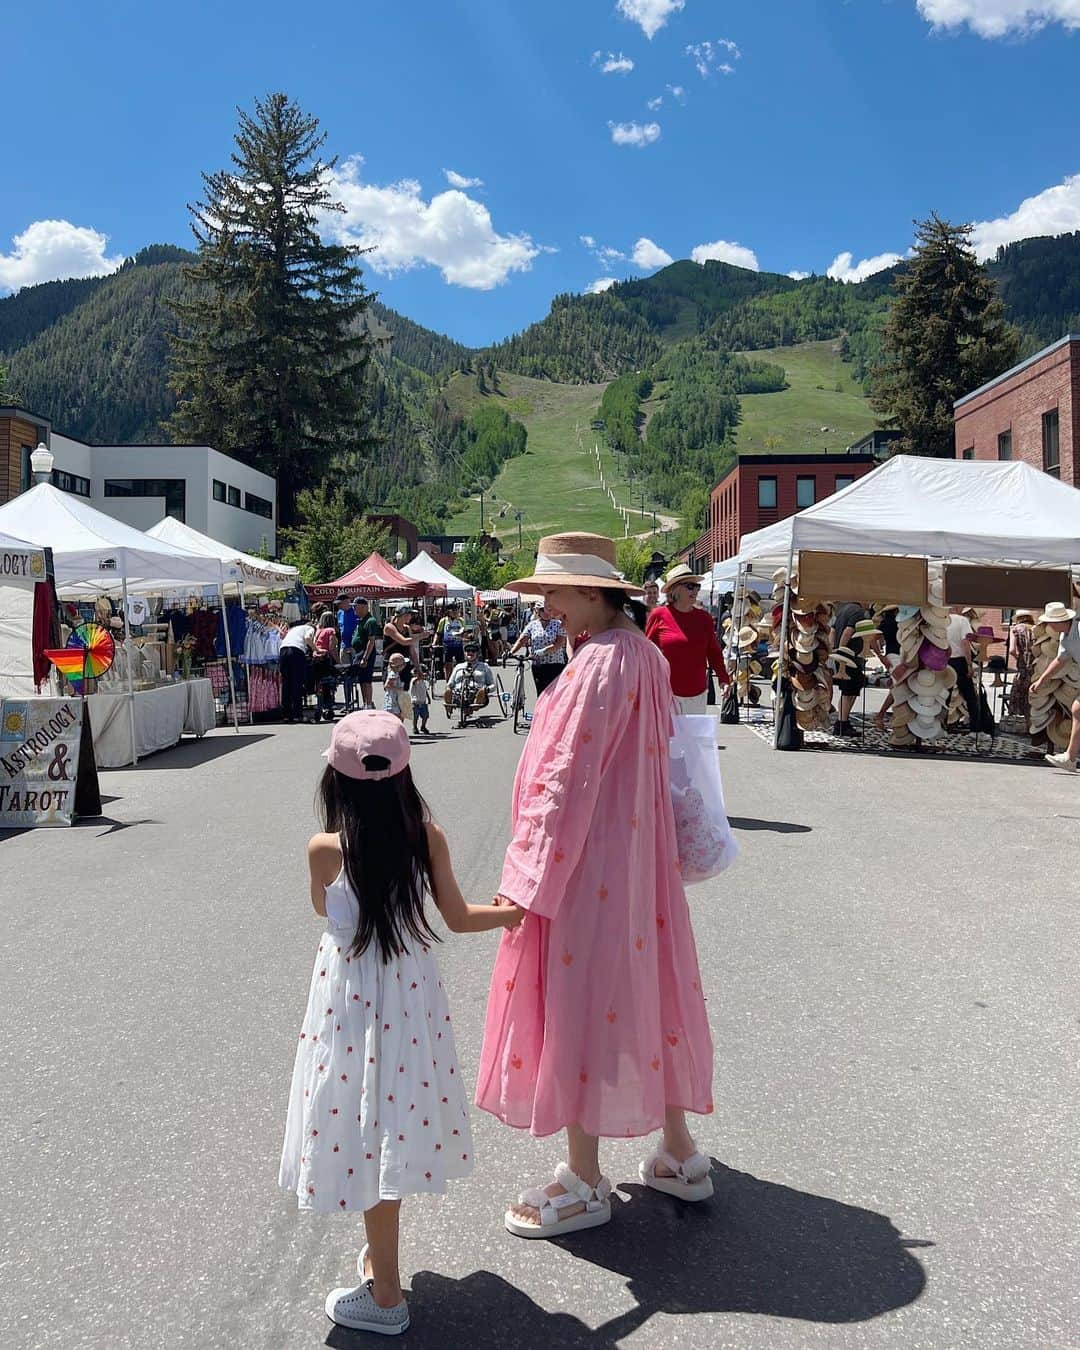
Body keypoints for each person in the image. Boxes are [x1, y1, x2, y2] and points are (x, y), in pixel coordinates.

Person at [476, 532, 715, 1240]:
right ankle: (677, 1151)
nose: (545, 604)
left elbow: (563, 781)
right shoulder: (641, 653)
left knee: (584, 1003)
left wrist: (524, 879)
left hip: (588, 866)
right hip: (640, 861)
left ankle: (583, 1182)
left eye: (552, 591)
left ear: (589, 591)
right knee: (648, 990)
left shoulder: (596, 667)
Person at [278, 712, 523, 1334]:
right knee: (389, 1121)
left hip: (349, 997)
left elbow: (321, 910)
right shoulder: (426, 837)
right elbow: (461, 918)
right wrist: (510, 913)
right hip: (409, 996)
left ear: (334, 781)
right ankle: (381, 1263)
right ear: (404, 773)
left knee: (358, 1125)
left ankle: (386, 1295)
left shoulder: (326, 849)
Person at [646, 564, 730, 715]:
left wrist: (723, 679)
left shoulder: (704, 619)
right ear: (675, 589)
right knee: (667, 739)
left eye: (697, 587)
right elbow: (645, 652)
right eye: (690, 586)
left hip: (697, 694)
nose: (696, 591)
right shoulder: (659, 615)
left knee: (693, 739)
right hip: (665, 693)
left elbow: (713, 652)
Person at [1031, 601, 1080, 769]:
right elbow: (1060, 660)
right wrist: (1042, 680)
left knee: (1078, 709)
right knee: (1077, 710)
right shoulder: (1065, 636)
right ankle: (1070, 758)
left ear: (1061, 621)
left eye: (1050, 621)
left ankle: (1070, 758)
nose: (1049, 624)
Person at [510, 600, 567, 698]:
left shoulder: (558, 624)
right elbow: (521, 640)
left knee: (555, 693)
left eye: (549, 610)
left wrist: (543, 651)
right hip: (538, 663)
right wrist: (511, 652)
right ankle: (542, 713)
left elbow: (559, 643)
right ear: (538, 612)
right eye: (543, 610)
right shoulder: (533, 625)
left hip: (555, 663)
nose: (547, 613)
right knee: (541, 693)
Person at [946, 606, 984, 733]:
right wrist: (969, 663)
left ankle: (942, 725)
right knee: (970, 695)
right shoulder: (962, 621)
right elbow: (965, 643)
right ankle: (975, 727)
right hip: (959, 661)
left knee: (945, 695)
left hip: (944, 660)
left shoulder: (942, 621)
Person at [444, 641, 496, 716]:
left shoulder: (484, 666)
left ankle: (474, 706)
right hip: (458, 694)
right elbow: (450, 683)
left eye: (473, 651)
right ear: (464, 653)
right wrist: (449, 688)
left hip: (477, 693)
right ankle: (449, 707)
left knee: (481, 691)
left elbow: (493, 685)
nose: (470, 653)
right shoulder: (458, 666)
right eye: (468, 650)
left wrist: (486, 690)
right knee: (448, 689)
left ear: (477, 653)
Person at [279, 618, 315, 723]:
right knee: (297, 683)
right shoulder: (310, 628)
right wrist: (316, 649)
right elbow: (308, 639)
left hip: (283, 650)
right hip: (296, 651)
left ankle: (286, 714)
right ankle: (297, 714)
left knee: (286, 684)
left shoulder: (294, 629)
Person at [349, 597, 381, 711]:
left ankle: (368, 702)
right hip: (358, 652)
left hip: (365, 653)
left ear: (363, 607)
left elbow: (371, 640)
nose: (354, 609)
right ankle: (365, 702)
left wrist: (365, 657)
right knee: (361, 680)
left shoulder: (370, 621)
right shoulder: (361, 620)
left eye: (355, 607)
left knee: (367, 680)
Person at [1007, 608, 1037, 724]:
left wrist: (1019, 658)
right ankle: (1033, 728)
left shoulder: (1015, 629)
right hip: (1036, 667)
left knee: (1020, 695)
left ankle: (1024, 724)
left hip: (1023, 668)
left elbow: (1012, 650)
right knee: (1033, 699)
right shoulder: (1036, 629)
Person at [311, 611, 341, 722]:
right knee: (328, 685)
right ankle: (328, 707)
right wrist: (339, 662)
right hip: (325, 660)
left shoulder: (318, 631)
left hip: (316, 660)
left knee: (319, 685)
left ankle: (319, 707)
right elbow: (332, 648)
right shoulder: (331, 631)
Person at [383, 606, 416, 690]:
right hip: (392, 665)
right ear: (403, 615)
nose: (411, 617)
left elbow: (411, 649)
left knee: (404, 693)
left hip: (405, 663)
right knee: (391, 692)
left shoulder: (407, 628)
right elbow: (404, 641)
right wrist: (422, 636)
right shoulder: (389, 627)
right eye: (410, 614)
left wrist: (418, 668)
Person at [436, 604, 466, 680]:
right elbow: (438, 634)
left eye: (457, 610)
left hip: (458, 645)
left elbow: (465, 632)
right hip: (447, 645)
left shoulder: (461, 620)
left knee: (461, 665)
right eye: (453, 610)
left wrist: (466, 636)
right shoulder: (443, 621)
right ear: (448, 611)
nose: (455, 612)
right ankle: (448, 682)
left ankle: (461, 681)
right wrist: (434, 643)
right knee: (448, 665)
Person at [383, 653, 410, 722]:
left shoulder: (395, 673)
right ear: (398, 666)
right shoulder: (393, 675)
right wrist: (399, 689)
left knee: (400, 717)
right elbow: (387, 686)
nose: (405, 666)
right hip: (393, 701)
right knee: (397, 719)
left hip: (395, 699)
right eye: (403, 664)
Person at [409, 671, 431, 735]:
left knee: (425, 716)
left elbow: (425, 690)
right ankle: (415, 727)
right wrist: (419, 677)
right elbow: (414, 682)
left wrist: (428, 698)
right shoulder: (414, 680)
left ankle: (423, 726)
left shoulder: (423, 682)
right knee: (415, 716)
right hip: (415, 702)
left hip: (423, 701)